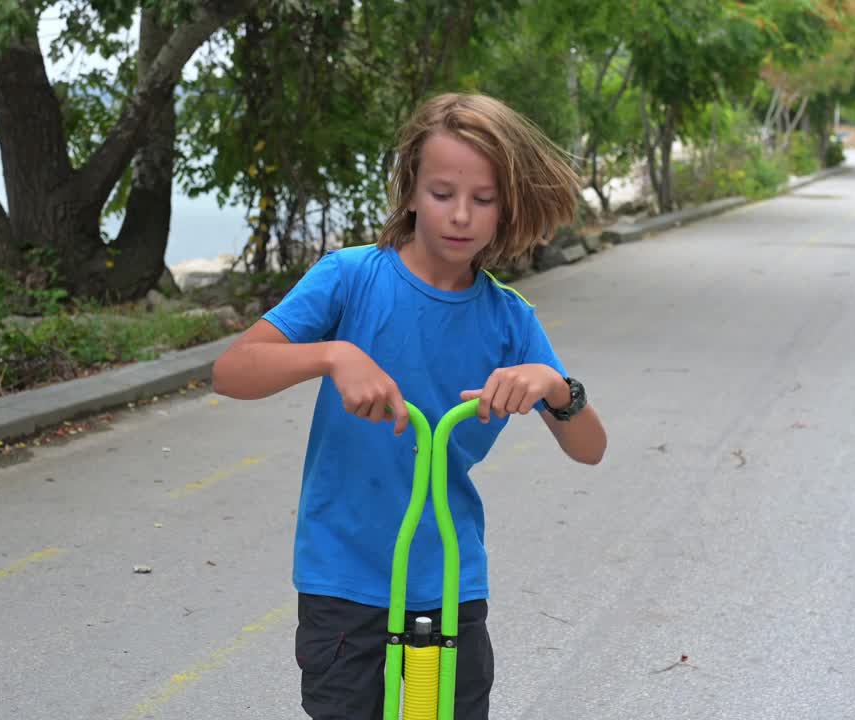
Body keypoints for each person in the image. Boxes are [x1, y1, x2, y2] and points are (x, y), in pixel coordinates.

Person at [211, 92, 608, 720]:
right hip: (343, 577)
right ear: (410, 191)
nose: (460, 216)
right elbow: (231, 371)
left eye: (483, 199)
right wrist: (332, 355)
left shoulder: (510, 319)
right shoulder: (349, 278)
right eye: (442, 192)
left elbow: (590, 448)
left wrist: (555, 388)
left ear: (507, 207)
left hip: (447, 580)